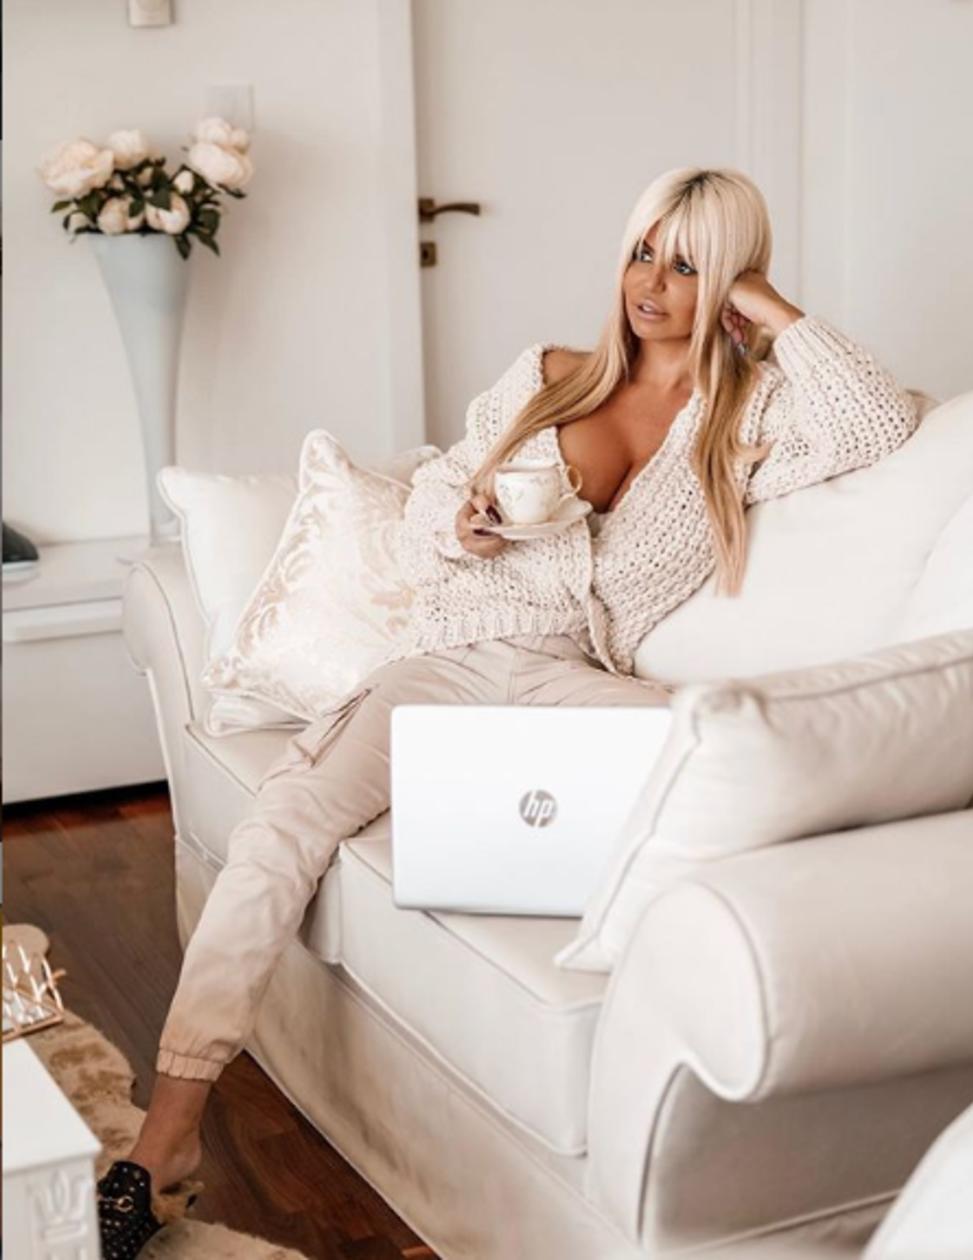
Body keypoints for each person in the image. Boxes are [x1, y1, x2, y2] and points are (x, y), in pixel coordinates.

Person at [96, 166, 921, 1257]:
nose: (650, 284)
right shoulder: (546, 375)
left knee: (728, 757)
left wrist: (766, 306)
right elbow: (435, 497)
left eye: (687, 265)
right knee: (283, 823)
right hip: (449, 657)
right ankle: (167, 1139)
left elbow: (879, 420)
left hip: (578, 674)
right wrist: (464, 524)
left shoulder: (745, 416)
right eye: (642, 252)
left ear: (728, 278)